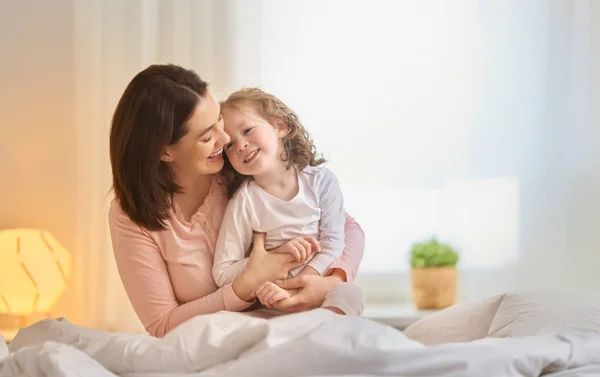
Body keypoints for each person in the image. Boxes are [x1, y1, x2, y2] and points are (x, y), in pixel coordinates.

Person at [108, 64, 365, 337]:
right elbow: (162, 325)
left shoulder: (242, 166)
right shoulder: (132, 216)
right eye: (207, 136)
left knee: (350, 303)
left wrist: (330, 282)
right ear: (165, 153)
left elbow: (347, 228)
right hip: (223, 339)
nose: (227, 138)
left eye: (218, 119)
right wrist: (247, 283)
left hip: (297, 317)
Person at [212, 88, 364, 316]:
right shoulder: (244, 201)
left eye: (247, 130)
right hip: (273, 298)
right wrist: (275, 259)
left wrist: (306, 281)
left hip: (321, 292)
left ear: (280, 127)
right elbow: (223, 272)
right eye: (230, 145)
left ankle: (326, 338)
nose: (241, 145)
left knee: (351, 294)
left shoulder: (321, 181)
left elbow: (334, 242)